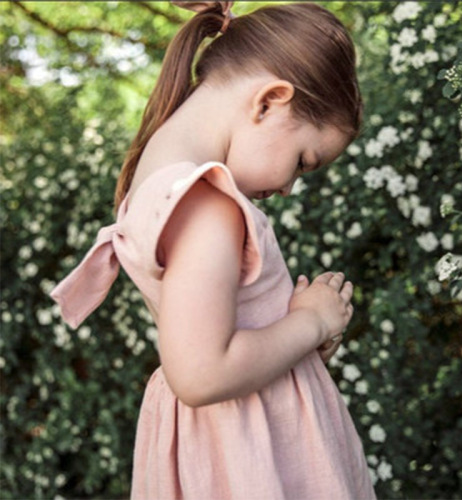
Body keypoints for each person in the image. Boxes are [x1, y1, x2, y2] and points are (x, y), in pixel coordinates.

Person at [50, 1, 376, 498]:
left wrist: (295, 338)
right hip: (248, 450)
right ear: (269, 101)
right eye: (302, 162)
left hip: (232, 438)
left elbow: (212, 336)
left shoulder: (162, 178)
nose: (290, 187)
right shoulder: (208, 206)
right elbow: (202, 372)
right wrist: (311, 322)